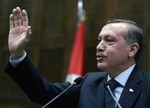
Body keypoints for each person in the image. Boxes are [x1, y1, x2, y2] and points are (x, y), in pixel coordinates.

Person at [5, 7, 150, 108]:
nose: (99, 46)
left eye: (109, 40)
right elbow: (43, 92)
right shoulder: (89, 83)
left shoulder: (147, 85)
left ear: (132, 50)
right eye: (100, 40)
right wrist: (17, 54)